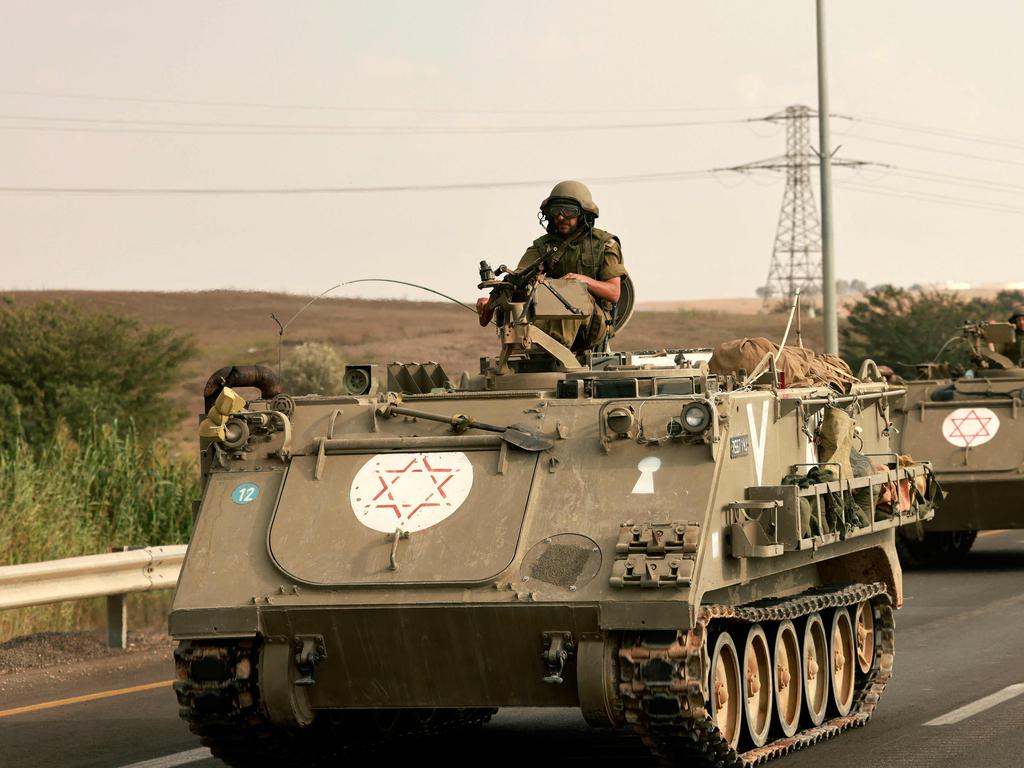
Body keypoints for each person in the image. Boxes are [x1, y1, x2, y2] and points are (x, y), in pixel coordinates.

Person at [476, 180, 627, 352]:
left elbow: (614, 293)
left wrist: (583, 281)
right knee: (522, 291)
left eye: (569, 211)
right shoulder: (544, 246)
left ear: (583, 214)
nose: (561, 217)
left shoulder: (605, 244)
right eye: (556, 211)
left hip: (593, 327)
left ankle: (550, 349)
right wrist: (493, 299)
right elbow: (518, 277)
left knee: (572, 289)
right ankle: (530, 346)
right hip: (551, 318)